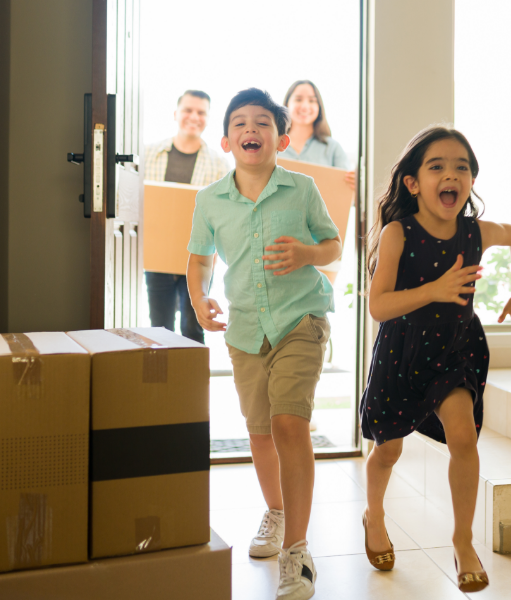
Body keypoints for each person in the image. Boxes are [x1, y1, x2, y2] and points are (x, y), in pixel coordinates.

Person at [359, 126, 511, 593]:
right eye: (436, 166)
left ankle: (462, 540)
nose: (451, 174)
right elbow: (378, 307)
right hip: (402, 354)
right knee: (388, 450)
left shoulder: (476, 232)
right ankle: (373, 515)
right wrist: (433, 291)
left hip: (454, 350)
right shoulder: (399, 233)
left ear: (471, 182)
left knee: (463, 437)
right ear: (413, 183)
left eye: (462, 167)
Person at [186, 88, 341, 600]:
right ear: (227, 141)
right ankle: (275, 514)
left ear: (283, 136)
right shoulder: (210, 199)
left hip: (301, 320)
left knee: (288, 422)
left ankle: (296, 552)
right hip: (247, 329)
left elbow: (334, 244)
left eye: (262, 122)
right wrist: (198, 296)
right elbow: (200, 258)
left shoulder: (302, 188)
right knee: (258, 432)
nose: (251, 129)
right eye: (240, 123)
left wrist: (306, 253)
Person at [143, 90, 228, 343]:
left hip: (198, 258)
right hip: (157, 258)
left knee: (193, 326)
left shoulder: (219, 164)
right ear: (176, 114)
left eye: (201, 112)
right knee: (159, 328)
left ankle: (193, 381)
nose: (194, 116)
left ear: (208, 118)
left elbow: (222, 215)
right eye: (188, 110)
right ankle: (162, 381)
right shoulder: (149, 154)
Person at [280, 80, 355, 191]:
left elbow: (346, 195)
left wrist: (356, 186)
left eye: (312, 100)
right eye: (298, 99)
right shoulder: (272, 146)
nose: (305, 106)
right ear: (287, 104)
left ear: (319, 107)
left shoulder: (332, 148)